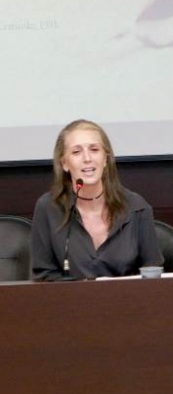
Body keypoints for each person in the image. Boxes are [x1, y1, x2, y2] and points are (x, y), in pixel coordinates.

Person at [30, 119, 163, 280]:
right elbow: (44, 276)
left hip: (126, 296)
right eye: (76, 152)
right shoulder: (48, 207)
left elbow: (153, 273)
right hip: (68, 297)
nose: (87, 158)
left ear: (105, 159)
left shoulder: (137, 208)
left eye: (94, 149)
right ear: (64, 163)